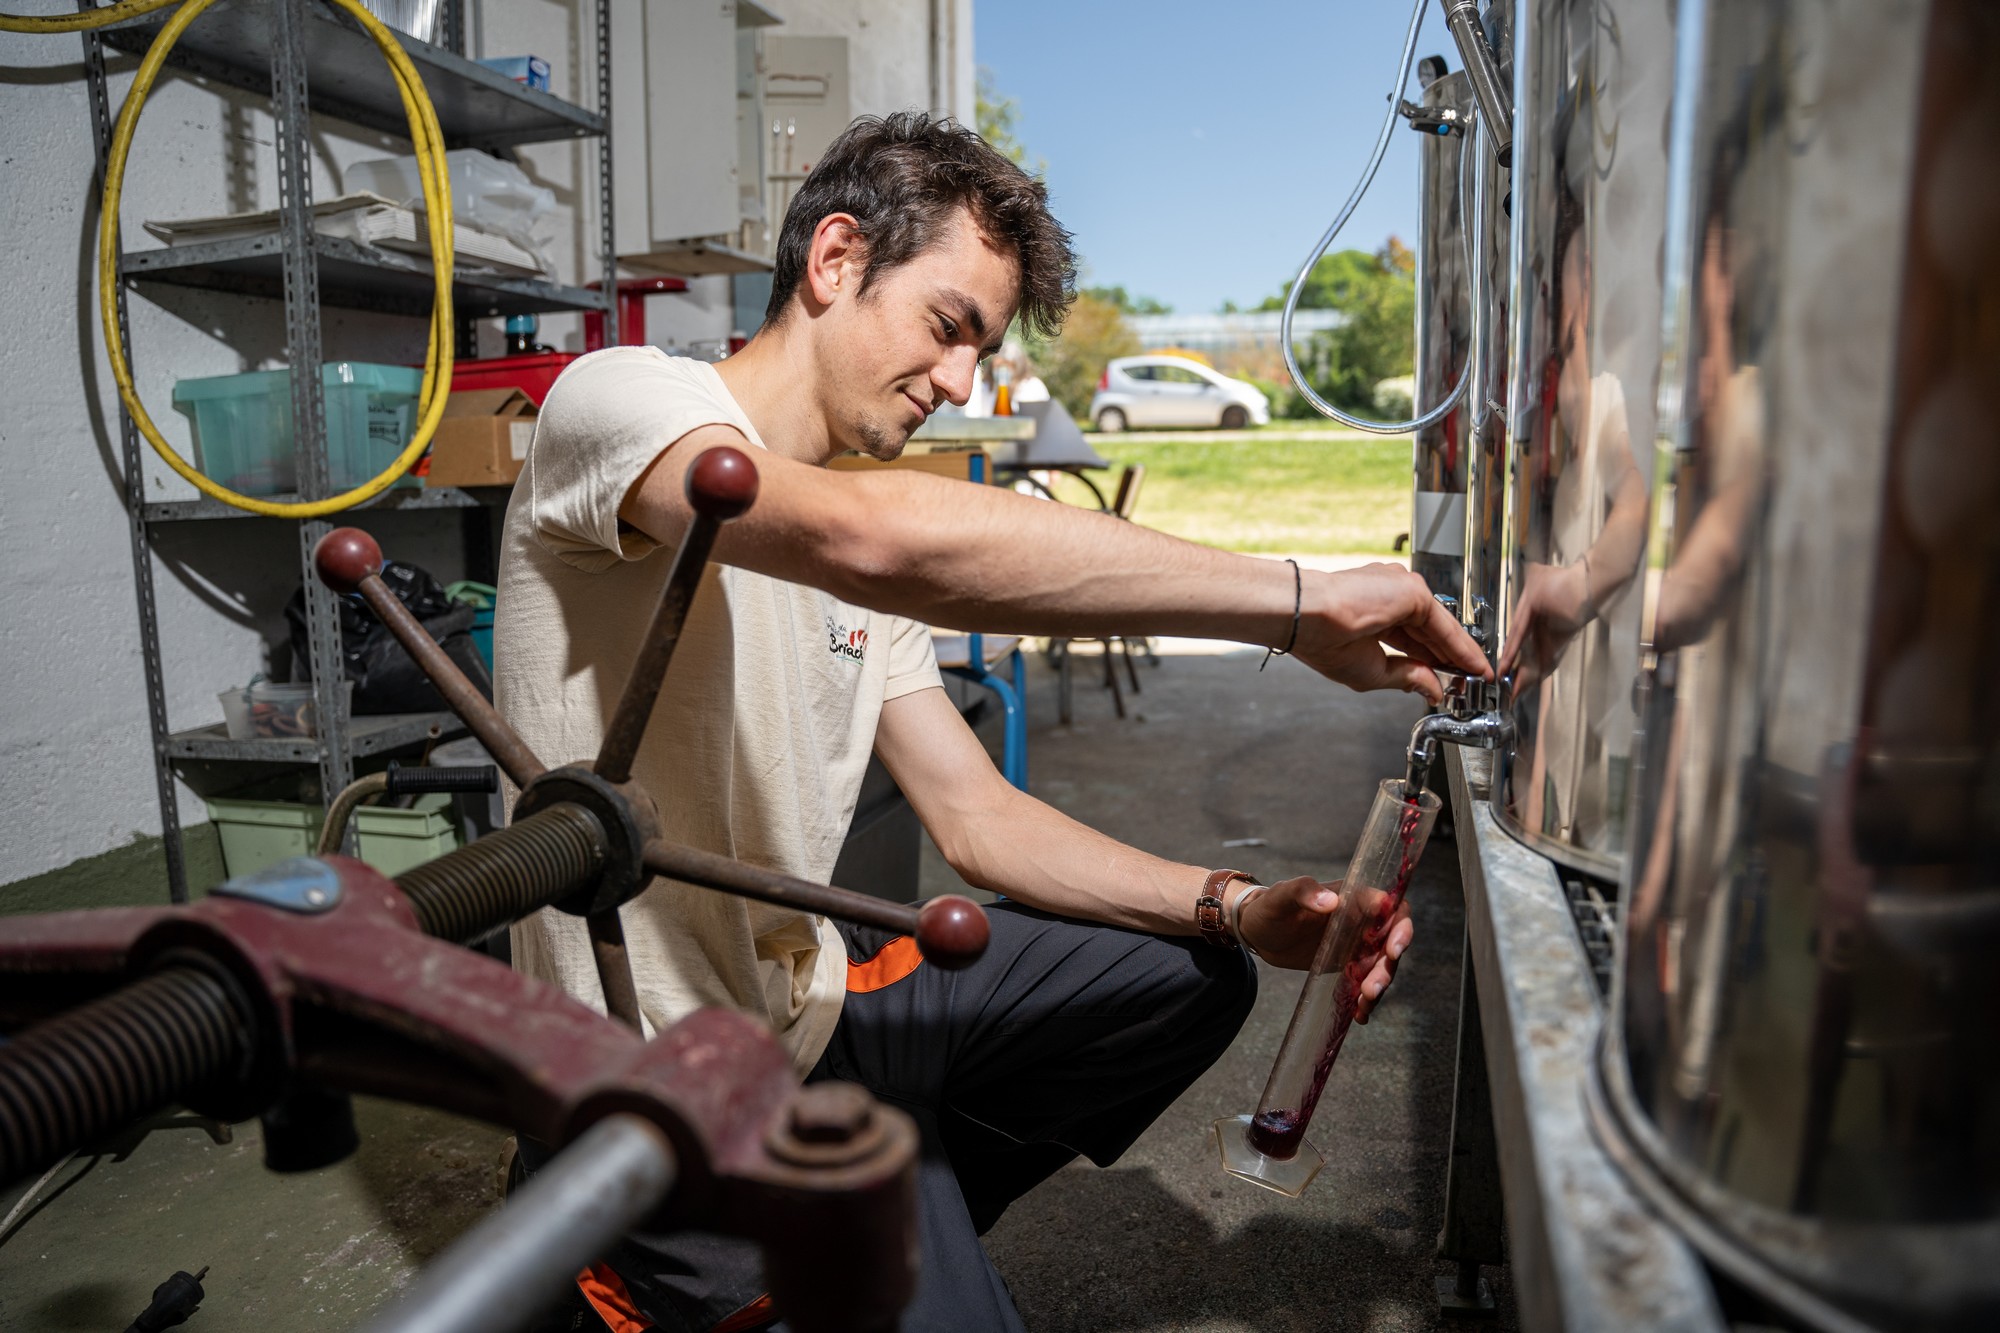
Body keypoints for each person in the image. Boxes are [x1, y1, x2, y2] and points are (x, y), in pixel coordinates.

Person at [496, 111, 1489, 1333]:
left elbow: (978, 818)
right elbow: (878, 542)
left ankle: (896, 1202)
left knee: (1187, 970)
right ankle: (786, 1244)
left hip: (810, 1008)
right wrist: (1292, 600)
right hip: (658, 1089)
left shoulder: (855, 538)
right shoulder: (622, 401)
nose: (963, 381)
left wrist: (1239, 904)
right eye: (948, 326)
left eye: (981, 347)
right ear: (834, 260)